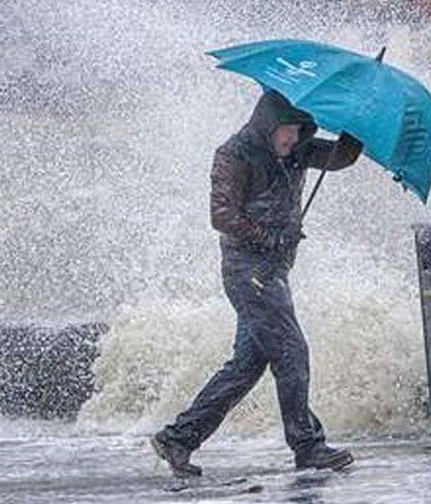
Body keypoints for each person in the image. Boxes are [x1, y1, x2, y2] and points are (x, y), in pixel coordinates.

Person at [151, 90, 364, 477]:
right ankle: (308, 445)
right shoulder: (234, 154)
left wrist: (357, 126)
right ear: (268, 125)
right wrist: (269, 237)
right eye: (286, 131)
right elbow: (221, 216)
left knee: (247, 364)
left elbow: (340, 157)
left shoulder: (298, 149)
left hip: (274, 271)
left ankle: (178, 439)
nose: (292, 140)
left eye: (299, 131)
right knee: (292, 350)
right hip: (247, 270)